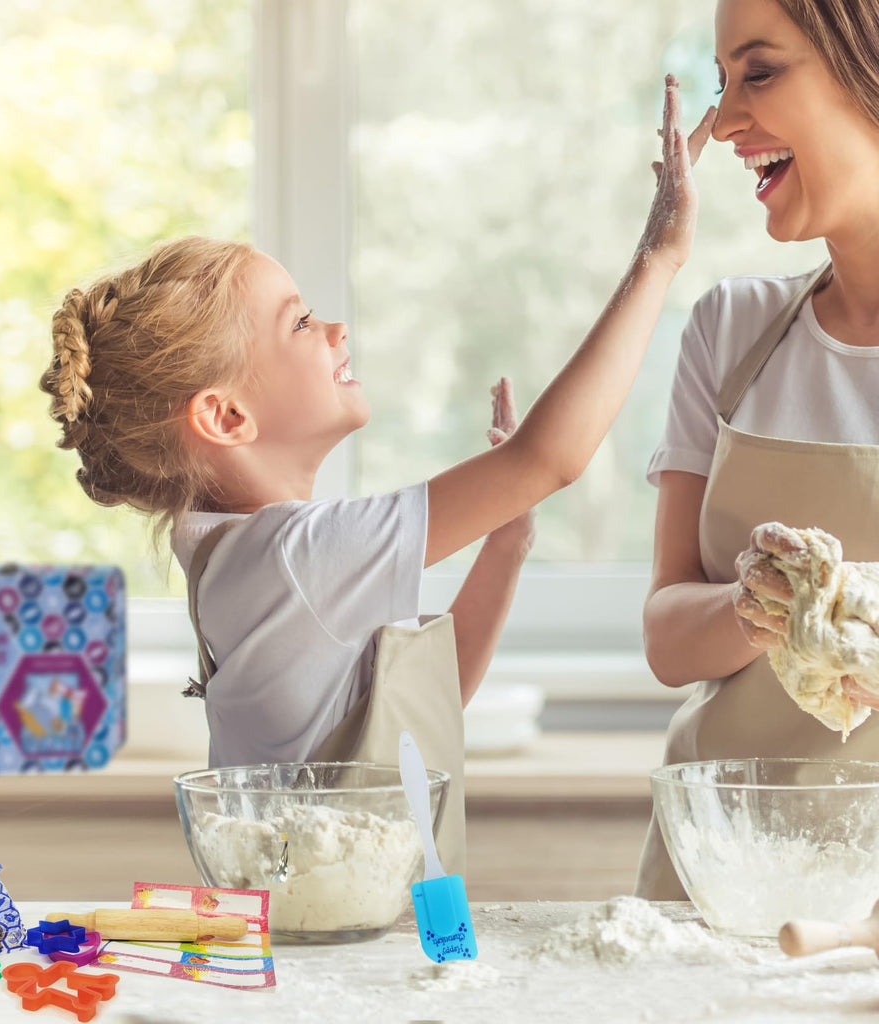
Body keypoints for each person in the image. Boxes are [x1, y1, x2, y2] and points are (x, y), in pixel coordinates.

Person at [41, 78, 714, 875]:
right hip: (338, 945)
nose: (335, 328)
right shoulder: (298, 554)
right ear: (226, 419)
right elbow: (548, 458)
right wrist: (661, 255)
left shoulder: (239, 559)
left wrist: (505, 545)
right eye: (298, 321)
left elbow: (419, 707)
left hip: (358, 921)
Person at [636, 0, 879, 899]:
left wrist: (850, 612)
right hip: (717, 874)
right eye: (722, 82)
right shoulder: (732, 332)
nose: (727, 120)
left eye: (761, 73)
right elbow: (666, 635)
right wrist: (769, 605)